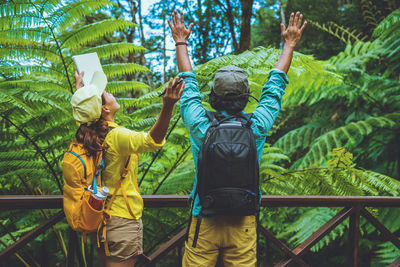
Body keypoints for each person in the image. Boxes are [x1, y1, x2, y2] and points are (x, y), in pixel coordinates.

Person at [168, 10, 307, 266]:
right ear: (245, 98)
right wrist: (289, 44)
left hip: (204, 218)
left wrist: (180, 41)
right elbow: (275, 85)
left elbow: (187, 82)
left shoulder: (200, 125)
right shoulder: (257, 125)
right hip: (243, 220)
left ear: (213, 96)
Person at [71, 70, 184, 267]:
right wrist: (168, 105)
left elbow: (84, 112)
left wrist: (80, 89)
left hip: (98, 217)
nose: (110, 93)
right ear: (104, 109)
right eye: (106, 94)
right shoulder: (117, 136)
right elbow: (152, 141)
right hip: (122, 221)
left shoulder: (87, 132)